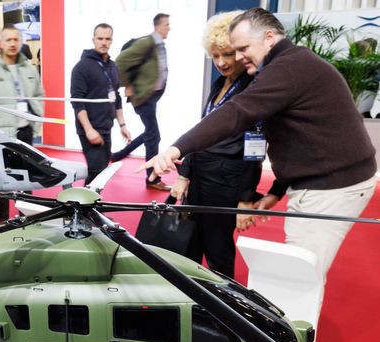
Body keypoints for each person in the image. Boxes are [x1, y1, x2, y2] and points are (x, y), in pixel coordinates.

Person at [140, 7, 377, 278]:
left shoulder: (285, 68)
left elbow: (237, 114)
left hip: (327, 186)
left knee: (298, 278)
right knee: (296, 274)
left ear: (269, 38)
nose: (237, 57)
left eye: (241, 49)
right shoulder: (288, 64)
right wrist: (277, 190)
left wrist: (175, 149)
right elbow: (300, 141)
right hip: (318, 182)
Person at [169, 10, 261, 278]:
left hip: (225, 180)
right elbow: (202, 132)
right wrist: (184, 174)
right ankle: (191, 296)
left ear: (241, 52)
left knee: (218, 249)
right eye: (215, 55)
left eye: (227, 54)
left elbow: (255, 147)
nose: (221, 62)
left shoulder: (253, 88)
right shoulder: (219, 83)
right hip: (200, 174)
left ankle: (222, 301)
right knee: (190, 244)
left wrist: (246, 199)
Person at [112, 13, 171, 192]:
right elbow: (120, 61)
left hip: (151, 97)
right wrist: (128, 84)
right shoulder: (147, 42)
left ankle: (119, 155)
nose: (169, 28)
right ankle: (152, 178)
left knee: (150, 133)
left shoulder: (159, 44)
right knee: (154, 136)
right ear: (158, 26)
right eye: (166, 24)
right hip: (142, 97)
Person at [70, 23, 131, 185]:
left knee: (101, 172)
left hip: (106, 128)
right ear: (93, 40)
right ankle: (84, 200)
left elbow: (116, 97)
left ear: (112, 41)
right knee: (97, 172)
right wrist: (89, 130)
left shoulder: (113, 66)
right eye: (100, 38)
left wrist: (122, 125)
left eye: (107, 39)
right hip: (89, 129)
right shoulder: (82, 67)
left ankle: (88, 200)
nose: (104, 42)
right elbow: (77, 101)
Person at [0, 25, 44, 145]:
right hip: (1, 135)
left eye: (16, 40)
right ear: (1, 43)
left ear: (21, 42)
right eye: (8, 40)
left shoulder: (30, 69)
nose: (12, 44)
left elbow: (39, 95)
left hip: (26, 131)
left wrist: (36, 124)